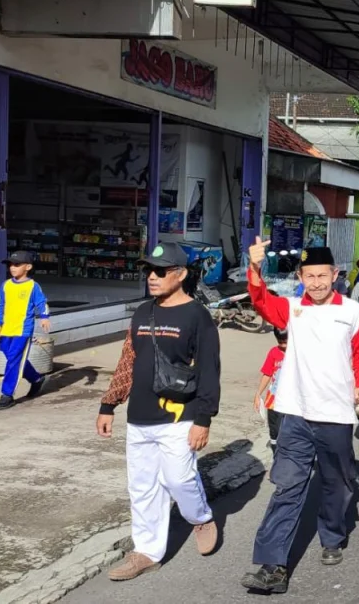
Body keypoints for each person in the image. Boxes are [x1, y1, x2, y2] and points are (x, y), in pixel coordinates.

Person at [241, 239, 359, 594]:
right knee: (287, 485)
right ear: (300, 277)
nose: (316, 283)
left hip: (336, 415)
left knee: (337, 483)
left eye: (322, 275)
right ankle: (273, 566)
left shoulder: (351, 311)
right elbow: (260, 301)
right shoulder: (290, 309)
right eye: (309, 276)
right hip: (295, 414)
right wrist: (254, 269)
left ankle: (332, 535)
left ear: (335, 275)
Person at [97, 242, 220, 580]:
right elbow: (127, 359)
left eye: (160, 271)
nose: (152, 277)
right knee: (143, 487)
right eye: (149, 270)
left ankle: (199, 517)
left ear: (180, 275)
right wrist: (109, 404)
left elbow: (209, 370)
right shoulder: (142, 312)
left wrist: (204, 420)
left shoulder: (198, 316)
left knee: (178, 478)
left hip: (180, 417)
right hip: (139, 416)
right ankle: (147, 552)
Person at [0, 251, 51, 410]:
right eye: (10, 265)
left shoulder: (33, 286)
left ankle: (6, 394)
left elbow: (42, 302)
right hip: (6, 329)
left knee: (13, 361)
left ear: (28, 267)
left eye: (17, 265)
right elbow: (0, 305)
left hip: (23, 330)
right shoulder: (6, 285)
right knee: (11, 356)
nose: (12, 268)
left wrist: (44, 317)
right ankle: (36, 379)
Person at [256, 328, 289, 455]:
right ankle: (277, 457)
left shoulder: (299, 353)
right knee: (274, 431)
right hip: (273, 401)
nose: (283, 346)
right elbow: (267, 373)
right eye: (280, 342)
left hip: (292, 403)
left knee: (289, 433)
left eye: (286, 342)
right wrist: (258, 394)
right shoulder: (274, 352)